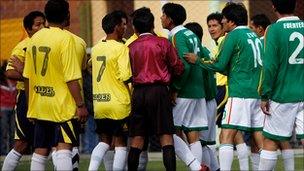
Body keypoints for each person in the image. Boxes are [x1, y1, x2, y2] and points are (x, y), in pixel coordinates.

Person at [184, 3, 264, 170]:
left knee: (226, 134)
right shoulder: (254, 35)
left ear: (232, 22)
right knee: (258, 137)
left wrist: (197, 60)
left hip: (239, 92)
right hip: (256, 93)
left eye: (224, 20)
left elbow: (219, 65)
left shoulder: (233, 36)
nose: (222, 23)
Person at [23, 0, 88, 170]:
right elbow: (71, 77)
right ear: (67, 15)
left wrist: (31, 105)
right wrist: (80, 105)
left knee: (40, 151)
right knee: (64, 149)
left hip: (40, 104)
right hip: (62, 106)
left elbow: (27, 76)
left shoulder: (34, 38)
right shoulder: (66, 38)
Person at [127, 7, 184, 171]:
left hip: (138, 93)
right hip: (159, 91)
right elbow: (178, 67)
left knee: (137, 139)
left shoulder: (130, 47)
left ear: (135, 28)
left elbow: (127, 72)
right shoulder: (163, 42)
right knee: (166, 137)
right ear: (152, 25)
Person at [161, 3, 209, 170]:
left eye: (163, 15)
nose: (161, 18)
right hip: (198, 90)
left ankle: (196, 167)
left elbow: (184, 65)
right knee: (193, 134)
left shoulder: (177, 36)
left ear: (170, 19)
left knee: (168, 131)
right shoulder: (192, 34)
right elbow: (201, 59)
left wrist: (175, 89)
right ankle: (197, 168)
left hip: (185, 91)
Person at [259, 0, 303, 170]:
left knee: (270, 140)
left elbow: (270, 66)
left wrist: (264, 95)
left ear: (274, 7)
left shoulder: (274, 30)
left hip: (283, 95)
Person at [2, 11, 45, 171]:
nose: (42, 27)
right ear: (28, 29)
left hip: (47, 96)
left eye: (44, 23)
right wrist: (29, 74)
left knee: (53, 143)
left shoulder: (50, 43)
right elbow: (10, 72)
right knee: (22, 143)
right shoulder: (22, 46)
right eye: (38, 24)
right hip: (27, 98)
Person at [88, 10, 131, 171]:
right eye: (123, 24)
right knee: (120, 143)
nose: (125, 28)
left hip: (100, 102)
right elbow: (126, 76)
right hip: (118, 103)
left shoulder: (97, 48)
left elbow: (90, 66)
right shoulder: (121, 48)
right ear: (115, 27)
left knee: (104, 141)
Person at [184, 22, 219, 171]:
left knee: (200, 142)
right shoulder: (205, 51)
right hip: (210, 100)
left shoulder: (195, 56)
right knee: (205, 143)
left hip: (203, 101)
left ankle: (201, 168)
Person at [0, 61, 17, 156]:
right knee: (3, 131)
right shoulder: (1, 82)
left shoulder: (15, 81)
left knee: (13, 132)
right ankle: (3, 152)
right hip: (3, 109)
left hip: (13, 108)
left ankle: (12, 152)